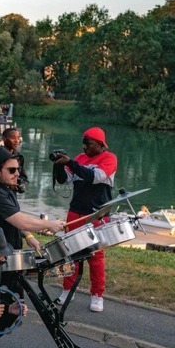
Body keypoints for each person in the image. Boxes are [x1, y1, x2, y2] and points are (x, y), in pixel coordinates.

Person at [0, 154, 66, 348]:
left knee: (12, 307)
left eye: (18, 170)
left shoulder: (5, 189)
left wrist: (28, 236)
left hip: (7, 256)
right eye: (12, 170)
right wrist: (49, 225)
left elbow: (15, 220)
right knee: (0, 308)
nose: (18, 174)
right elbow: (20, 219)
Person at [52, 127, 117, 313]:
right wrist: (58, 166)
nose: (84, 147)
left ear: (99, 144)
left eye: (88, 143)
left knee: (95, 257)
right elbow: (65, 180)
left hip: (96, 214)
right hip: (75, 212)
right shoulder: (79, 159)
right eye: (83, 142)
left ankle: (97, 295)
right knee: (70, 253)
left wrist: (70, 163)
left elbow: (95, 177)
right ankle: (67, 290)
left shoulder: (109, 159)